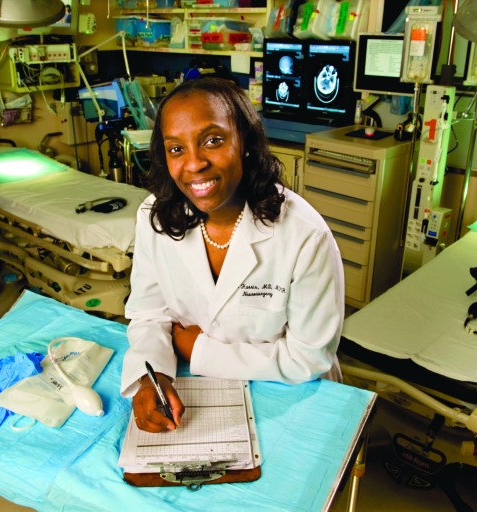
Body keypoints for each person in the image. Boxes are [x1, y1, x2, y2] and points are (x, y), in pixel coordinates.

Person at [120, 77, 345, 433]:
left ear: (245, 143)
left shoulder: (303, 235)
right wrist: (152, 378)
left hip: (290, 396)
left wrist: (199, 350)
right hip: (197, 397)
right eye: (176, 149)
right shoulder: (156, 216)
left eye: (212, 141)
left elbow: (309, 357)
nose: (193, 164)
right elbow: (148, 314)